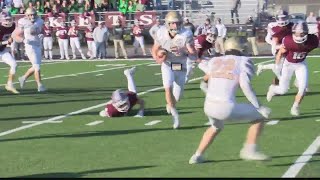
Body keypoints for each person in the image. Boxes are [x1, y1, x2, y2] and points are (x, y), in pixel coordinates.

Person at [189, 37, 271, 164]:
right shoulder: (243, 61)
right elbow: (245, 85)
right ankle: (249, 150)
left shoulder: (215, 60)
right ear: (241, 48)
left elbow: (206, 78)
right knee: (259, 117)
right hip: (225, 107)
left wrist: (205, 86)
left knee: (215, 127)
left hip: (208, 106)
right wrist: (258, 106)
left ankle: (197, 155)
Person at [151, 11, 197, 129]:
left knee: (178, 95)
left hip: (180, 64)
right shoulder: (161, 32)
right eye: (172, 23)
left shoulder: (186, 33)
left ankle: (171, 105)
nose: (175, 26)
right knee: (167, 88)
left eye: (177, 23)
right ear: (167, 23)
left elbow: (193, 53)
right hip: (167, 63)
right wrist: (158, 58)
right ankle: (175, 117)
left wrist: (184, 50)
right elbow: (154, 49)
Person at [266, 21, 319, 116]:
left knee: (302, 88)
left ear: (306, 33)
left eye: (301, 33)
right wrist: (277, 65)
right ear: (293, 32)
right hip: (288, 64)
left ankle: (295, 107)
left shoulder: (313, 40)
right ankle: (273, 89)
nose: (299, 36)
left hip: (301, 64)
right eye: (296, 33)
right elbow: (280, 52)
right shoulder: (288, 40)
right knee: (283, 90)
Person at [16, 8, 46, 92]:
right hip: (30, 46)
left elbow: (42, 30)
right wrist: (23, 40)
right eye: (30, 15)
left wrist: (41, 34)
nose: (32, 16)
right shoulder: (23, 22)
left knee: (35, 66)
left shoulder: (39, 21)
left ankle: (23, 78)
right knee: (37, 66)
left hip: (37, 44)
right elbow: (16, 35)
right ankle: (40, 85)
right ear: (27, 15)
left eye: (33, 14)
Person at [0, 12, 19, 94]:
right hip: (2, 46)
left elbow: (13, 35)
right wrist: (6, 42)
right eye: (6, 19)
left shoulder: (13, 25)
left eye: (9, 19)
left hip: (2, 50)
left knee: (14, 64)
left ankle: (9, 84)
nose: (8, 21)